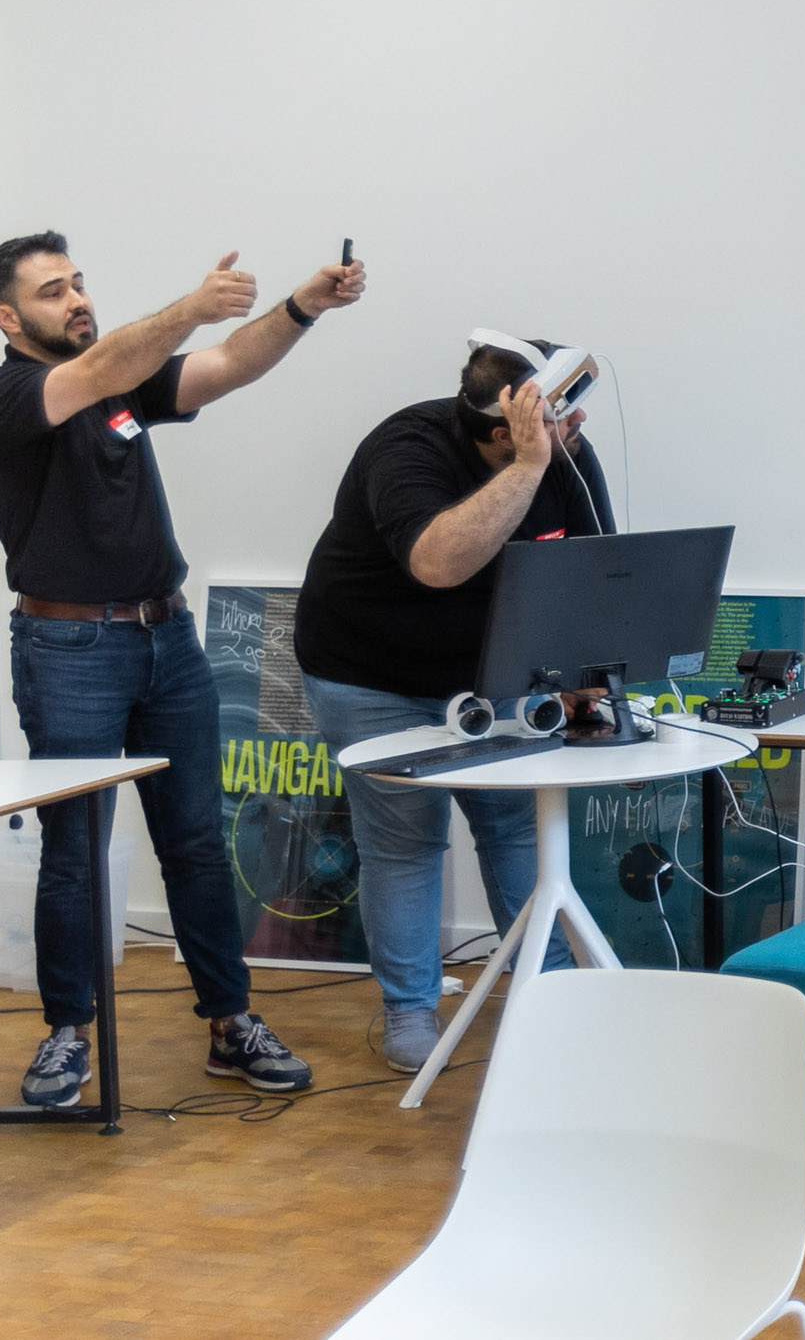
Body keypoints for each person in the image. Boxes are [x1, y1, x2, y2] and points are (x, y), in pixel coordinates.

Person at [0, 232, 365, 1107]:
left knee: (193, 840)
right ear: (8, 317)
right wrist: (186, 304)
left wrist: (301, 307)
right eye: (50, 293)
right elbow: (93, 371)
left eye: (77, 283)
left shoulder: (118, 383)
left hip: (167, 641)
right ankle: (67, 1035)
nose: (75, 299)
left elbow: (223, 364)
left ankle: (230, 1021)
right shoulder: (4, 395)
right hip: (70, 651)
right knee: (75, 849)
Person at [293, 337, 612, 1072]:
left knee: (516, 829)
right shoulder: (405, 449)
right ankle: (409, 1009)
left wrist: (584, 668)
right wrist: (532, 465)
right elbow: (439, 561)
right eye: (551, 419)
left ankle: (552, 997)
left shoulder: (563, 455)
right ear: (503, 430)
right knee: (404, 841)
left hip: (495, 668)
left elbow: (593, 569)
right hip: (369, 670)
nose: (572, 429)